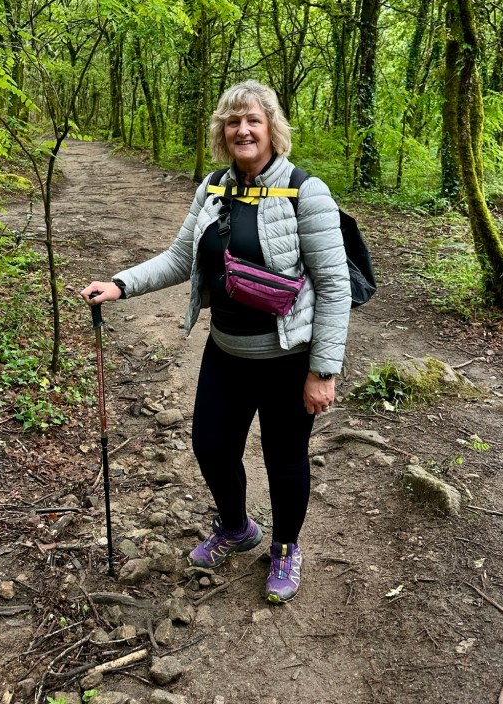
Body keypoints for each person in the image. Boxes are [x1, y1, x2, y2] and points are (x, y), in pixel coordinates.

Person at [81, 80, 350, 604]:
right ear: (222, 133)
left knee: (284, 459)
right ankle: (235, 527)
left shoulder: (306, 191)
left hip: (288, 359)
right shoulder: (213, 188)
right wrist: (120, 284)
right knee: (210, 446)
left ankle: (285, 548)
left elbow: (335, 285)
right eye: (232, 122)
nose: (242, 130)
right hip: (226, 351)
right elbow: (181, 258)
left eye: (253, 120)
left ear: (272, 128)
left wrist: (323, 370)